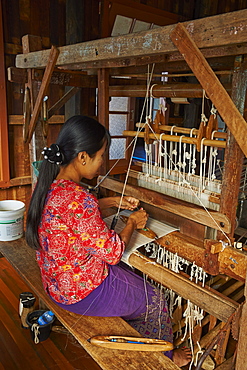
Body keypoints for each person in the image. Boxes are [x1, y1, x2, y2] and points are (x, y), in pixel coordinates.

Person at [26, 115, 191, 367]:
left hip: (56, 283)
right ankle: (164, 359)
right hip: (80, 292)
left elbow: (69, 218)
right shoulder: (80, 199)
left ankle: (135, 332)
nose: (103, 163)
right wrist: (133, 222)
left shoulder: (47, 183)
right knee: (154, 300)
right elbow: (113, 252)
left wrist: (113, 202)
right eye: (101, 156)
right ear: (83, 157)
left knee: (130, 276)